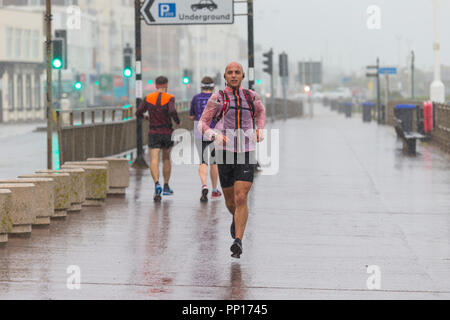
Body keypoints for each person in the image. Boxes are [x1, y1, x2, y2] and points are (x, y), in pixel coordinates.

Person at [198, 62, 266, 258]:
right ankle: (236, 219)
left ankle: (238, 241)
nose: (234, 75)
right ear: (225, 76)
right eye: (230, 73)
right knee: (230, 201)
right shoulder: (217, 98)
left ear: (243, 76)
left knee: (241, 197)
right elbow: (202, 123)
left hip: (246, 150)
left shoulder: (251, 97)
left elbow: (260, 114)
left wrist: (259, 129)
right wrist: (214, 135)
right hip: (224, 152)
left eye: (237, 72)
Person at [135, 76, 181, 202]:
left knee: (154, 159)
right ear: (166, 85)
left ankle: (157, 184)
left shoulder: (148, 98)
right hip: (167, 131)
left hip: (153, 131)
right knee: (166, 159)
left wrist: (145, 117)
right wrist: (177, 121)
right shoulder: (169, 98)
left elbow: (138, 112)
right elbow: (172, 111)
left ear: (156, 85)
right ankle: (166, 186)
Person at [189, 76, 222, 202]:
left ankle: (204, 185)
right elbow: (221, 115)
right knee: (214, 162)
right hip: (214, 132)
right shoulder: (217, 98)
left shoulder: (196, 98)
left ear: (202, 86)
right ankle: (214, 190)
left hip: (200, 132)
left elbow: (192, 116)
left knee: (202, 160)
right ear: (213, 87)